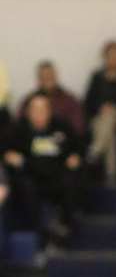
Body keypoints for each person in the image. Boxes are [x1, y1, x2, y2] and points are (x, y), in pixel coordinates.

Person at [3, 93, 83, 245]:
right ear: (28, 112)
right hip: (31, 176)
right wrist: (8, 155)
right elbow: (6, 151)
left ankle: (65, 224)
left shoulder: (62, 126)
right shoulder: (17, 129)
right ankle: (43, 231)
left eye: (43, 109)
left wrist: (76, 156)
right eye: (35, 109)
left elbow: (77, 147)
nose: (39, 113)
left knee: (72, 179)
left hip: (58, 173)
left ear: (50, 111)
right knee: (24, 185)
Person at [84, 40, 116, 184]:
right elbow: (88, 102)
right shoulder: (96, 77)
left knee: (111, 115)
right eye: (110, 56)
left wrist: (114, 108)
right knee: (109, 134)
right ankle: (111, 175)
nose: (113, 59)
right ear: (104, 57)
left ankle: (94, 151)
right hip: (98, 120)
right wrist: (100, 107)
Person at [19, 60, 86, 139]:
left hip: (63, 141)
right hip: (32, 141)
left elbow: (78, 127)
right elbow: (20, 125)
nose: (47, 78)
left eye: (50, 75)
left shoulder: (69, 100)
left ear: (56, 76)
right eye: (43, 76)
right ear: (38, 79)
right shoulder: (29, 100)